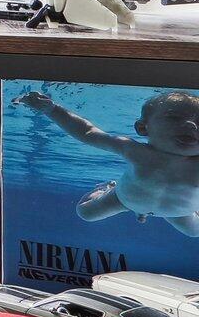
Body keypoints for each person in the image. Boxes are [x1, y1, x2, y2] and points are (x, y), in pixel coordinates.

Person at [19, 87, 199, 236]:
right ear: (143, 128)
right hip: (124, 199)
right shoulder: (134, 150)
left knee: (195, 232)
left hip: (179, 212)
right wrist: (52, 110)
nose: (192, 125)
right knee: (85, 212)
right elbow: (88, 133)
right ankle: (105, 189)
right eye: (174, 117)